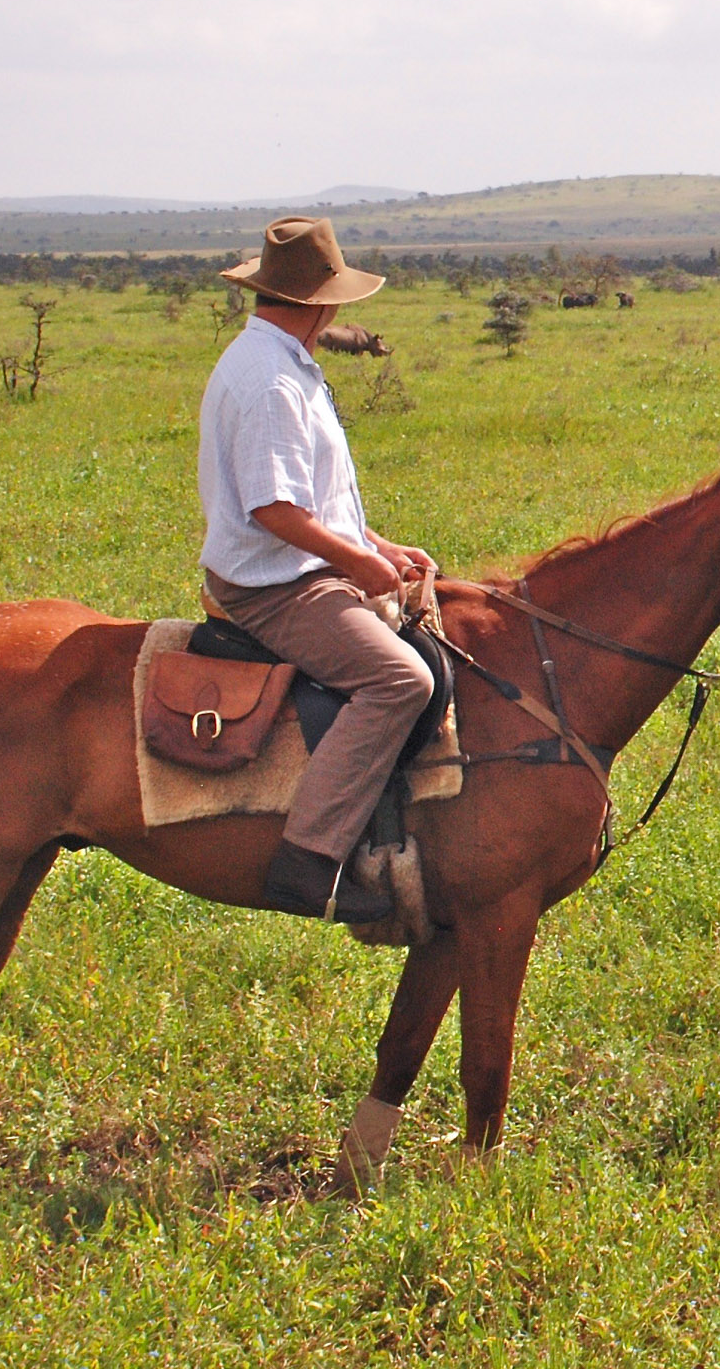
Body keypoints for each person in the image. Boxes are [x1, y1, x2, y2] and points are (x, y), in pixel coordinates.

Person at [199, 216, 435, 924]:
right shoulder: (271, 380)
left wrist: (379, 544)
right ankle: (308, 861)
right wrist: (356, 561)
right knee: (401, 679)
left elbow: (314, 498)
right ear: (326, 303)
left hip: (301, 566)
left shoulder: (285, 362)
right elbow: (274, 509)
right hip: (274, 588)